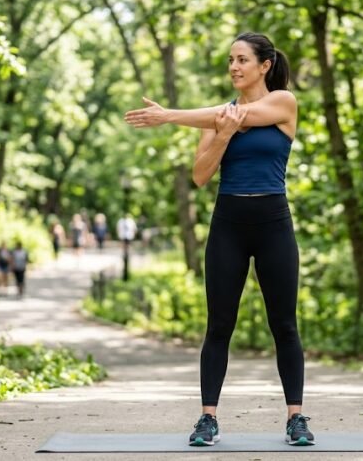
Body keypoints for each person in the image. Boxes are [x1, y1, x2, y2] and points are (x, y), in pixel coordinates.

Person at [125, 32, 314, 447]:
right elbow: (200, 175)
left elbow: (242, 116)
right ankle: (208, 418)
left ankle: (296, 418)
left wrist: (171, 115)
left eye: (242, 59)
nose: (233, 67)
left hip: (273, 224)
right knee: (219, 325)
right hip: (228, 223)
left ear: (264, 65)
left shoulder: (283, 102)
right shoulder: (215, 120)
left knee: (284, 323)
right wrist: (222, 134)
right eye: (230, 59)